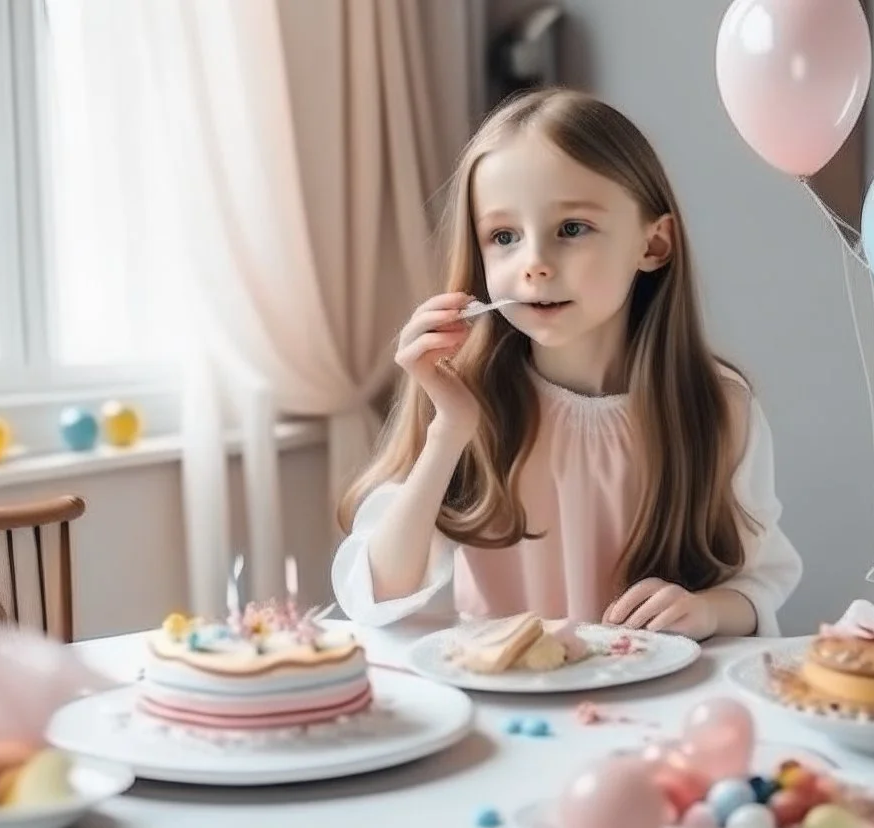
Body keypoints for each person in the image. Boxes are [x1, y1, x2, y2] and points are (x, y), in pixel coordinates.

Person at [331, 88, 802, 639]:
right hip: (513, 709)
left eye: (571, 229)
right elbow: (377, 593)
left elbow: (762, 579)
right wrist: (449, 431)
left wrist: (707, 610)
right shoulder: (465, 399)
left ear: (653, 245)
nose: (534, 264)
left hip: (654, 712)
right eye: (504, 237)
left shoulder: (721, 408)